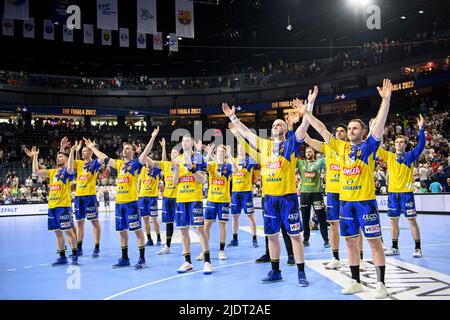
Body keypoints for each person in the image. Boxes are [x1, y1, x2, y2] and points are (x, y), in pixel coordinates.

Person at [301, 79, 393, 298]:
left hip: (365, 202)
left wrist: (386, 100)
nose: (351, 131)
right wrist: (307, 111)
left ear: (363, 132)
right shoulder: (339, 147)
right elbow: (321, 129)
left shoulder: (369, 146)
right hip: (346, 203)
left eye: (355, 128)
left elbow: (379, 124)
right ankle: (356, 281)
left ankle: (381, 284)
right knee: (350, 242)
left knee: (374, 242)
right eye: (349, 128)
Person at [222, 85, 318, 287]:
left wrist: (308, 106)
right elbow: (247, 134)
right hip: (269, 199)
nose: (276, 125)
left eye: (279, 124)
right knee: (272, 237)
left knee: (295, 237)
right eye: (274, 124)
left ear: (284, 129)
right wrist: (233, 117)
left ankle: (301, 273)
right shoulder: (265, 145)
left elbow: (303, 128)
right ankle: (275, 271)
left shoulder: (290, 144)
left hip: (288, 198)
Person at [82, 127, 159, 270]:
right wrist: (92, 148)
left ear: (132, 151)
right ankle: (125, 258)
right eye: (124, 148)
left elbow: (146, 153)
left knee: (137, 231)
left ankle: (142, 259)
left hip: (131, 203)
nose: (125, 150)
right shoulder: (119, 164)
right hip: (119, 204)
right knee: (122, 231)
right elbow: (104, 157)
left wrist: (153, 137)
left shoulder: (136, 164)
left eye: (128, 148)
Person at [377, 114, 425, 258]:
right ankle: (394, 247)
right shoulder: (390, 156)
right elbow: (377, 148)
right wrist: (376, 128)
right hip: (392, 194)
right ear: (394, 144)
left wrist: (421, 129)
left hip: (406, 193)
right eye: (397, 142)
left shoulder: (410, 156)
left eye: (401, 142)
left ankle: (418, 248)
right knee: (393, 221)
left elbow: (421, 145)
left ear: (405, 144)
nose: (398, 143)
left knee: (412, 220)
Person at [27, 145, 78, 266]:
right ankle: (62, 257)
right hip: (52, 207)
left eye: (61, 157)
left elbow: (71, 166)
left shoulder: (68, 172)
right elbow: (35, 171)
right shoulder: (53, 172)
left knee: (68, 232)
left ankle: (75, 255)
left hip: (63, 207)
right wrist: (35, 157)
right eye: (57, 157)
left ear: (66, 159)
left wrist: (71, 152)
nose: (58, 158)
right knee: (57, 232)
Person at [172, 135, 212, 274]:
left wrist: (193, 169)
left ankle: (207, 261)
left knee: (200, 229)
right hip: (181, 199)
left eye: (187, 140)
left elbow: (202, 180)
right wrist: (176, 169)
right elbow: (175, 182)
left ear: (193, 143)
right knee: (183, 230)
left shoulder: (199, 158)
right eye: (182, 141)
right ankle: (187, 262)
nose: (184, 143)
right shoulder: (178, 159)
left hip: (195, 199)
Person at [202, 144, 234, 260]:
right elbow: (202, 166)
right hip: (211, 199)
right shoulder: (212, 164)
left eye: (222, 151)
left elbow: (236, 170)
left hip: (224, 200)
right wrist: (209, 153)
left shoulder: (229, 166)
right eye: (218, 151)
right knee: (206, 225)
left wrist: (230, 154)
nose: (220, 153)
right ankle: (204, 250)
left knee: (222, 225)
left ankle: (221, 251)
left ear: (225, 154)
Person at [72, 141, 102, 258]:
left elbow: (102, 158)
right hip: (79, 197)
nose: (85, 152)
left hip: (90, 196)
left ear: (91, 152)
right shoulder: (79, 164)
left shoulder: (94, 163)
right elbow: (72, 163)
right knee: (80, 223)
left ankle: (97, 247)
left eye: (87, 150)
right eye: (83, 151)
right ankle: (79, 248)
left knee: (94, 222)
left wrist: (93, 147)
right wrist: (75, 150)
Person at [228, 141, 259, 249]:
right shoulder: (233, 161)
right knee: (234, 217)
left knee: (250, 215)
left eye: (243, 148)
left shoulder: (249, 160)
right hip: (235, 193)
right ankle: (234, 239)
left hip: (246, 192)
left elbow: (256, 155)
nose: (241, 149)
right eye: (240, 147)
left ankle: (254, 238)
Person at [296, 146, 328, 247]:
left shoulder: (319, 162)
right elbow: (292, 154)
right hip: (304, 194)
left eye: (310, 151)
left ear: (313, 153)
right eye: (307, 152)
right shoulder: (301, 163)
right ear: (304, 154)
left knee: (321, 218)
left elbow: (327, 154)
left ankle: (326, 240)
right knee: (305, 218)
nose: (308, 153)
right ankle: (306, 240)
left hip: (317, 194)